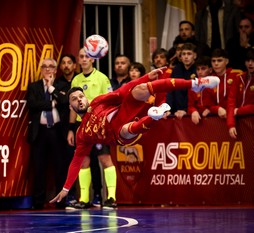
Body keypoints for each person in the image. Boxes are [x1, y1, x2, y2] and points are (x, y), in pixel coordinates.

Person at [50, 68, 220, 204]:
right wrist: (66, 189)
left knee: (139, 89)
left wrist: (146, 77)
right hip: (120, 135)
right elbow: (76, 162)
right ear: (71, 107)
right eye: (74, 99)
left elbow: (123, 90)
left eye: (81, 96)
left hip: (125, 112)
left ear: (86, 99)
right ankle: (154, 116)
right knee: (125, 129)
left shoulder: (98, 101)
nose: (79, 99)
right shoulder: (82, 134)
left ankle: (195, 83)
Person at [67, 48, 117, 209]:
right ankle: (84, 199)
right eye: (81, 56)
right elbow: (72, 107)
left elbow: (111, 101)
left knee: (105, 159)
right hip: (82, 125)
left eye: (87, 56)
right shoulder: (76, 80)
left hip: (99, 124)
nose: (84, 59)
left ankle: (111, 198)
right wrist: (70, 128)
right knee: (83, 161)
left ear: (93, 58)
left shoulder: (102, 78)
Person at [26, 58, 67, 209]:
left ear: (56, 70)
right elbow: (32, 104)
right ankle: (38, 203)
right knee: (39, 168)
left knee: (59, 168)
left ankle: (61, 202)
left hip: (57, 131)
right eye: (44, 67)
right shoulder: (34, 87)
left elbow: (64, 101)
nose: (48, 69)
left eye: (51, 67)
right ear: (41, 69)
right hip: (40, 132)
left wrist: (51, 89)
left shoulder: (62, 85)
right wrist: (51, 103)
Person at [54, 54, 79, 207]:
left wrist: (72, 129)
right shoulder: (57, 83)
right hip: (60, 128)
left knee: (75, 161)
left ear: (74, 65)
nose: (66, 66)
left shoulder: (78, 80)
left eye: (69, 63)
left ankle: (75, 196)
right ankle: (62, 199)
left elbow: (65, 100)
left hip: (75, 127)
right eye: (63, 63)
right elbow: (62, 101)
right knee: (61, 163)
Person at [227, 48, 254, 139]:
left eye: (253, 60)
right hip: (240, 123)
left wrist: (238, 111)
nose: (250, 63)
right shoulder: (239, 78)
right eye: (248, 60)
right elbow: (231, 103)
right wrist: (231, 125)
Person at [208, 48, 243, 118]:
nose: (216, 63)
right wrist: (217, 109)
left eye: (219, 60)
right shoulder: (209, 80)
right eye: (213, 61)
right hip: (217, 119)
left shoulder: (238, 74)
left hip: (238, 117)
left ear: (226, 61)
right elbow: (208, 103)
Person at [167, 43, 198, 119]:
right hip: (176, 112)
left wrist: (186, 110)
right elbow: (170, 90)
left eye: (189, 54)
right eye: (183, 54)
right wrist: (168, 109)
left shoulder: (199, 69)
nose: (186, 57)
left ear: (195, 56)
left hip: (193, 113)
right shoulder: (176, 69)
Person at [187, 56, 215, 124]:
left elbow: (222, 104)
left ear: (210, 70)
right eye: (198, 69)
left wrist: (211, 110)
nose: (200, 72)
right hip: (199, 120)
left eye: (203, 69)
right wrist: (193, 111)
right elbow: (190, 106)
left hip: (216, 119)